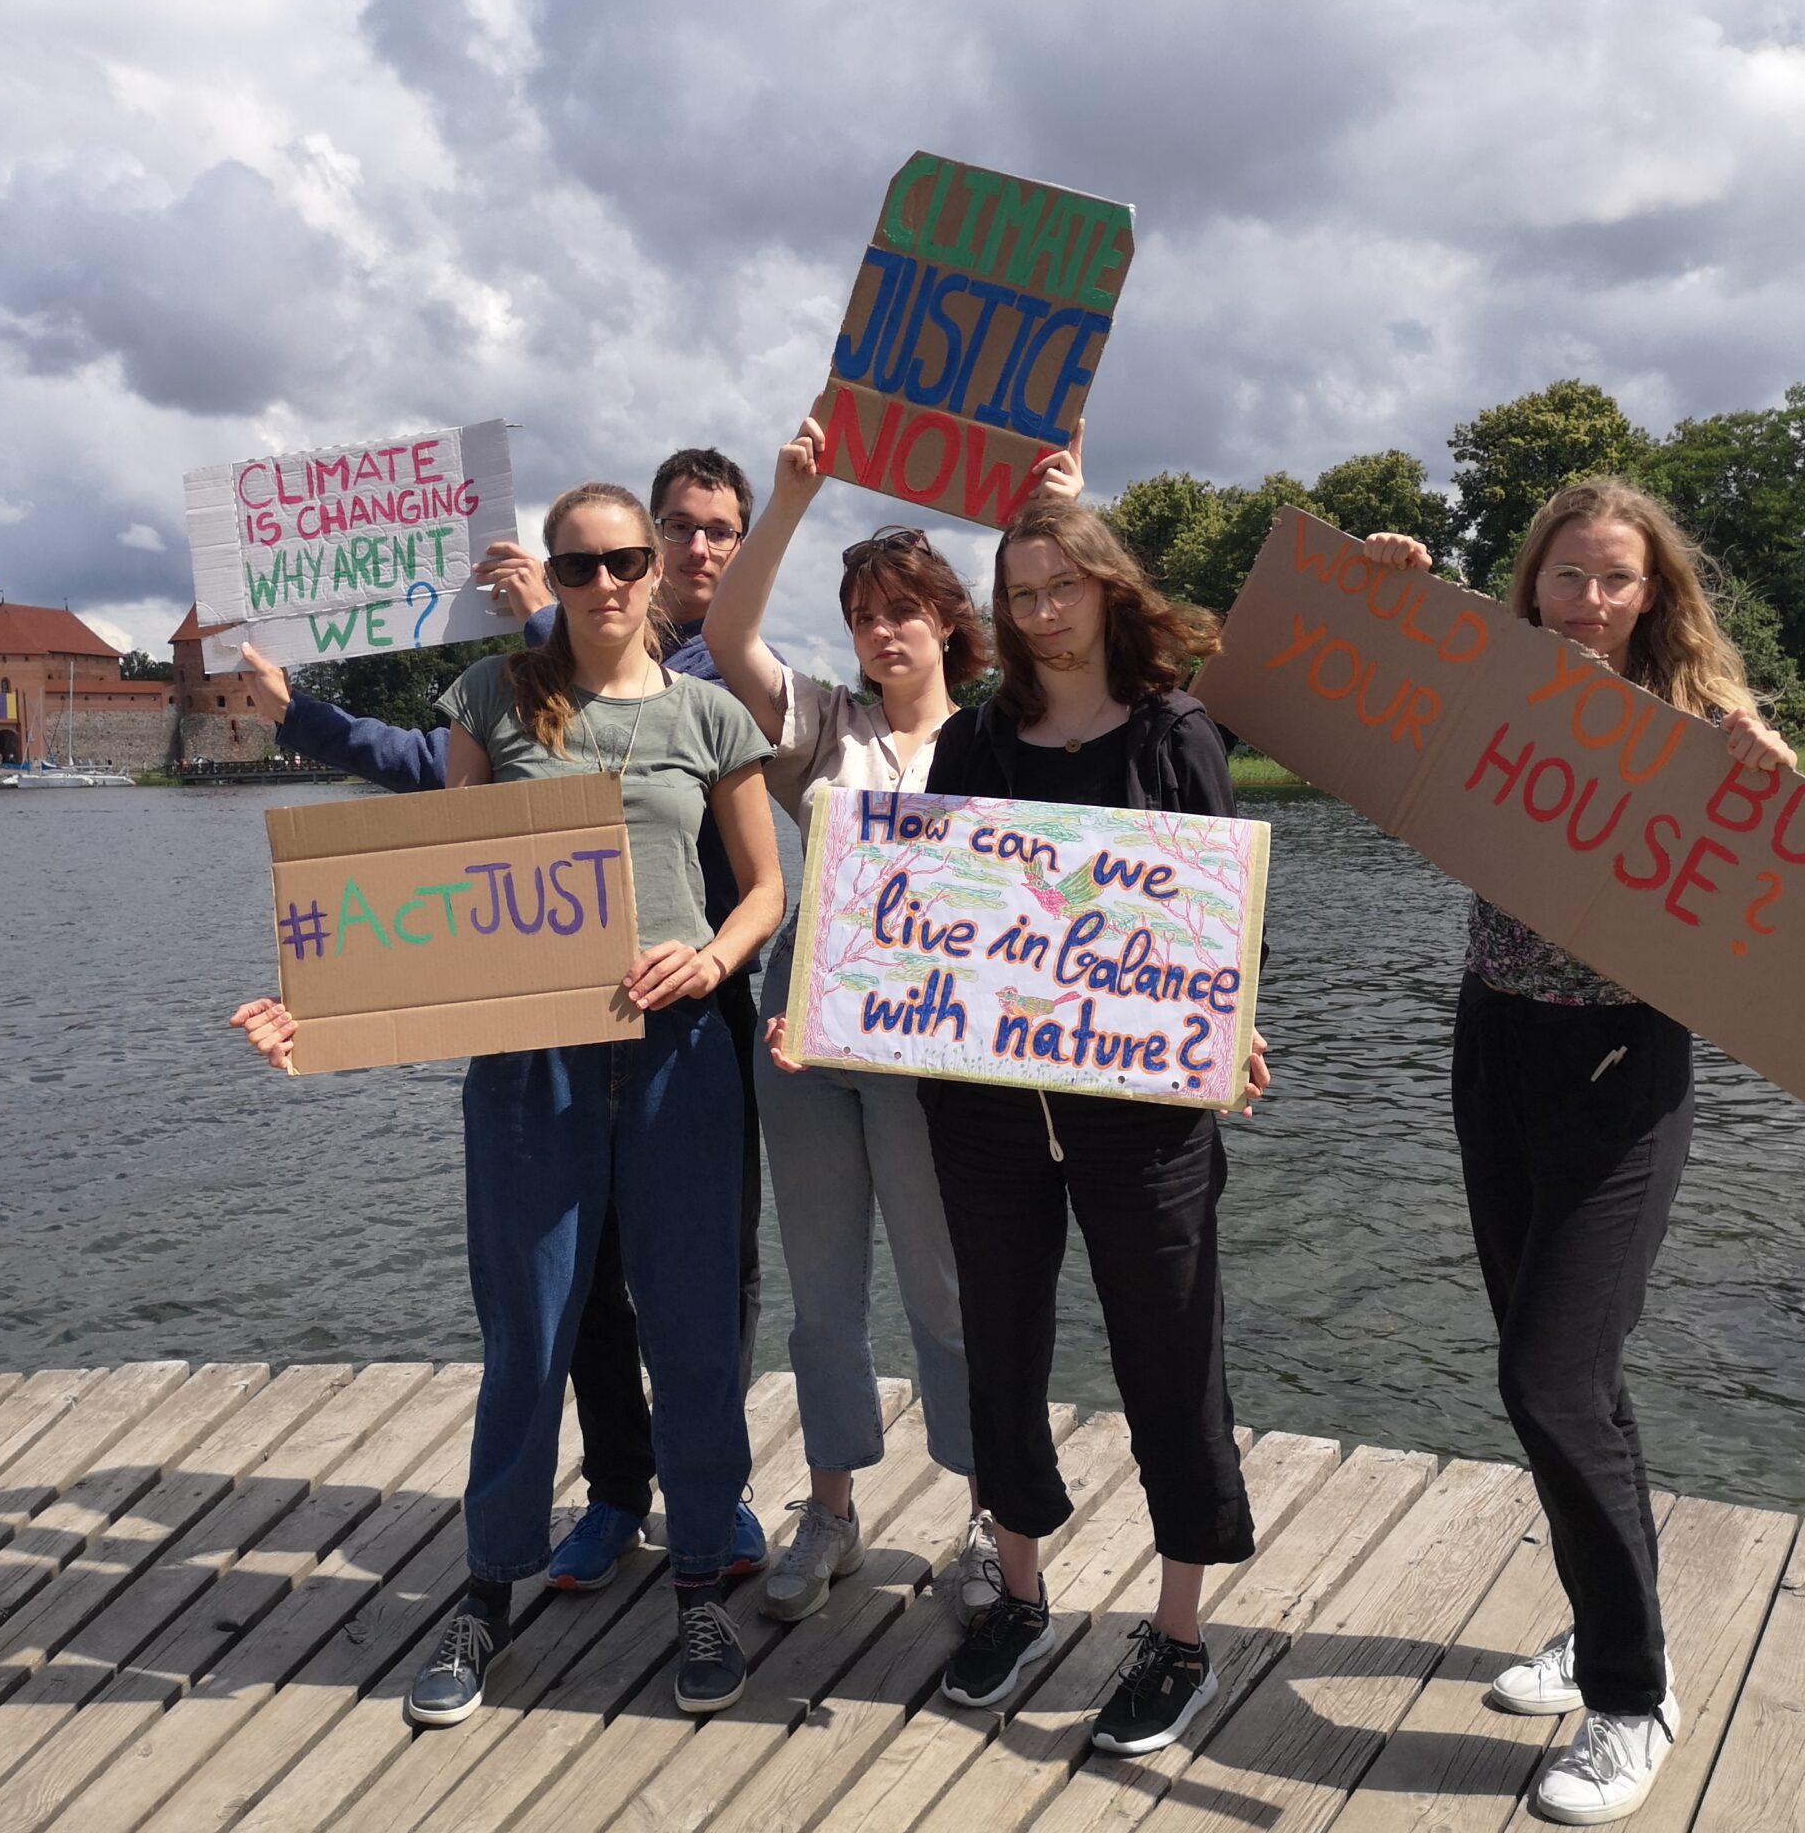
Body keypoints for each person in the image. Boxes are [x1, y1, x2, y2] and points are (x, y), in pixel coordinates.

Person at [232, 482, 785, 1721]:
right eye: (579, 565)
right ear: (552, 574)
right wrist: (310, 1001)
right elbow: (438, 895)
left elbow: (764, 889)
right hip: (529, 1055)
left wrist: (712, 956)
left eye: (624, 563)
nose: (603, 585)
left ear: (654, 575)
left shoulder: (712, 712)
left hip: (680, 1052)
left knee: (692, 1325)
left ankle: (700, 1579)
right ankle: (487, 1592)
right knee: (528, 1332)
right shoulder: (492, 696)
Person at [1370, 480, 1795, 1825]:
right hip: (1494, 1049)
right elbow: (1372, 697)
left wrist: (1770, 794)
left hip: (1624, 1069)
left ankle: (1632, 1692)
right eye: (1568, 577)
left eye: (1617, 579)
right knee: (1570, 1382)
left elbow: (1784, 890)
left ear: (1655, 592)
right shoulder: (1496, 695)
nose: (1592, 601)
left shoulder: (1703, 730)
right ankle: (1601, 1621)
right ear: (1533, 587)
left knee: (1550, 1377)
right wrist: (1384, 595)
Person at [705, 416, 1081, 1624]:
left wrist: (1061, 505)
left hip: (937, 1054)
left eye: (900, 610)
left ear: (947, 621)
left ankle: (985, 1518)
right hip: (804, 1035)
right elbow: (724, 635)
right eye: (863, 613)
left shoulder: (1000, 734)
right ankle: (831, 1514)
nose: (879, 631)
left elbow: (1097, 656)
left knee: (943, 1287)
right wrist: (790, 497)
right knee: (822, 1291)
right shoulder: (820, 723)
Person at [915, 499, 1270, 1759]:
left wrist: (1228, 1019)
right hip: (987, 1116)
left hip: (1147, 1121)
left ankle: (1177, 1633)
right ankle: (1017, 1591)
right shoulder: (971, 742)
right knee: (997, 1349)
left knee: (1171, 1359)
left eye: (1063, 583)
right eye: (1020, 591)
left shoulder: (1178, 736)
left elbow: (1221, 924)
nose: (1043, 609)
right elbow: (922, 923)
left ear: (1113, 589)